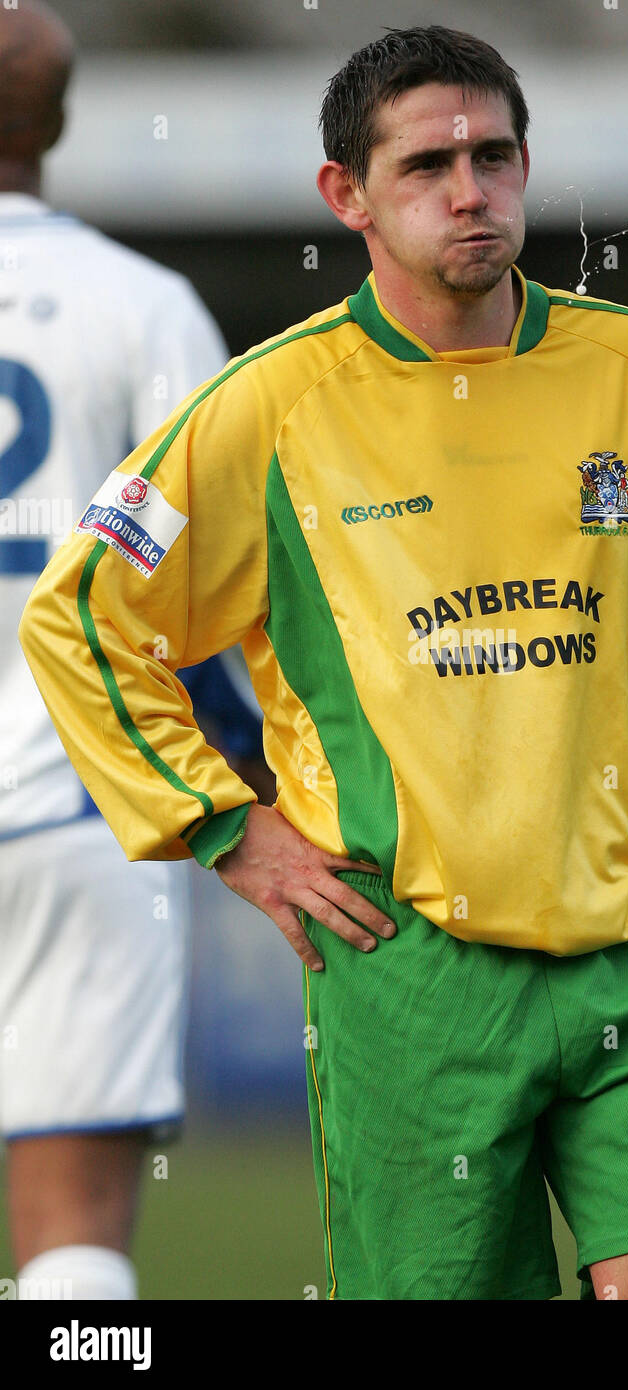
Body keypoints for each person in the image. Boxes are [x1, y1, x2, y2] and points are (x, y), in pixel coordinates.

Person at [19, 25, 628, 1301]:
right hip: (410, 975)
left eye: (495, 155)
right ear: (346, 196)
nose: (470, 191)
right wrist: (228, 832)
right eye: (427, 165)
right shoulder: (271, 407)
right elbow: (81, 618)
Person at [0, 1, 264, 1300]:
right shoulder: (143, 306)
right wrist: (264, 788)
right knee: (76, 1235)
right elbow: (222, 598)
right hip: (79, 815)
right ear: (55, 123)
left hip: (82, 822)